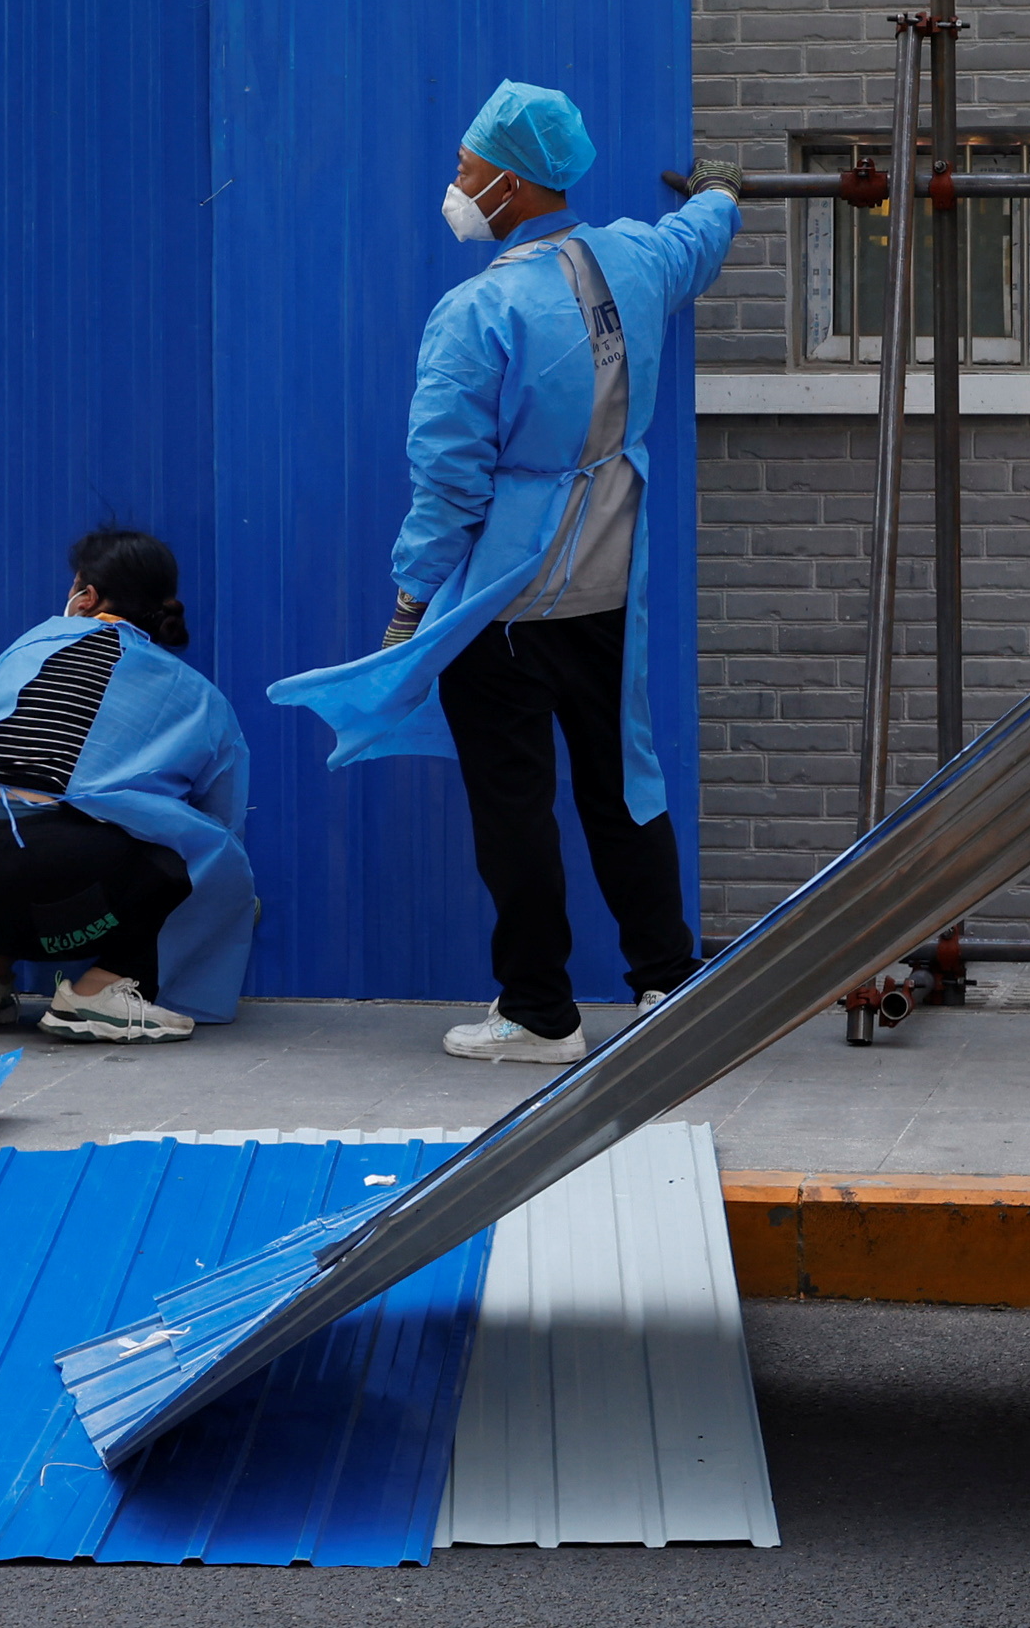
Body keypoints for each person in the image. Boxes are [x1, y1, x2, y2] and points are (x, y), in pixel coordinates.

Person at [271, 82, 739, 1068]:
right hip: (611, 587)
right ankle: (667, 984)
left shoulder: (476, 311)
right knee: (624, 785)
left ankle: (539, 1013)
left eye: (464, 167)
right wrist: (722, 192)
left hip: (505, 604)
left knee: (514, 806)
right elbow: (699, 233)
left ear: (514, 182)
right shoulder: (637, 259)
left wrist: (409, 602)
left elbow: (446, 479)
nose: (454, 182)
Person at [0, 528, 255, 1044]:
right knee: (199, 861)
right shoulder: (197, 695)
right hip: (55, 885)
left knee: (10, 812)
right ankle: (101, 991)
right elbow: (221, 827)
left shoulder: (29, 645)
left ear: (87, 595)